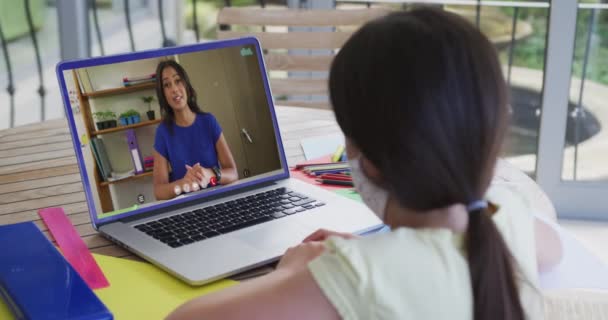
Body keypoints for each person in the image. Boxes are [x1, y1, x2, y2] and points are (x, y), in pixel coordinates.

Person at [166, 8, 562, 320]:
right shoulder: (506, 215)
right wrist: (384, 253)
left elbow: (183, 318)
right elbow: (552, 250)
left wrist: (293, 274)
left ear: (368, 162)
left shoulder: (355, 279)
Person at [153, 60, 238, 200]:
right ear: (163, 94)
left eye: (178, 81)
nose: (174, 89)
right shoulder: (163, 132)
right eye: (167, 85)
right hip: (187, 207)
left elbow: (233, 173)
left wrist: (211, 174)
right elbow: (159, 191)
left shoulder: (209, 121)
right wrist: (183, 183)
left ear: (186, 85)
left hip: (218, 201)